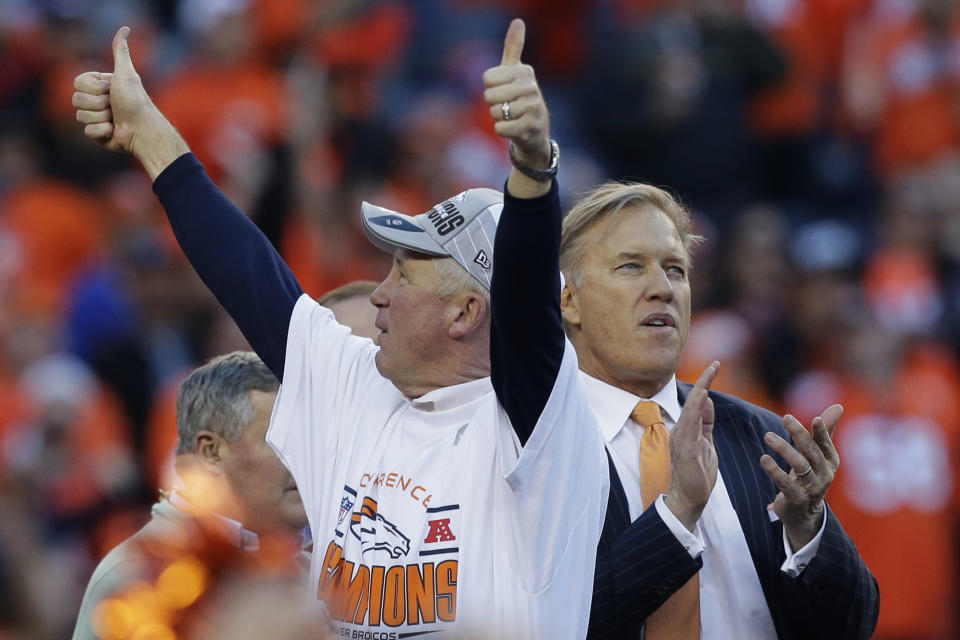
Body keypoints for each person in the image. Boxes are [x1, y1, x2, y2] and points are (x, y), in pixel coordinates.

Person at [72, 20, 622, 637]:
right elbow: (248, 273)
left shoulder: (538, 423)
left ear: (466, 313)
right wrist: (148, 134)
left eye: (406, 276)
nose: (379, 296)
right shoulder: (357, 386)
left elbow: (525, 308)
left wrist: (530, 170)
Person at [556, 182, 880, 639]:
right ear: (570, 300)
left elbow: (851, 627)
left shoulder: (760, 436)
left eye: (676, 270)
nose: (662, 289)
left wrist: (808, 529)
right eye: (631, 266)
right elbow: (557, 623)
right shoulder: (535, 449)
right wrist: (678, 513)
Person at [72, 351, 308, 640]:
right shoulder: (136, 575)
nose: (307, 457)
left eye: (309, 438)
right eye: (282, 440)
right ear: (210, 452)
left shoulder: (308, 570)